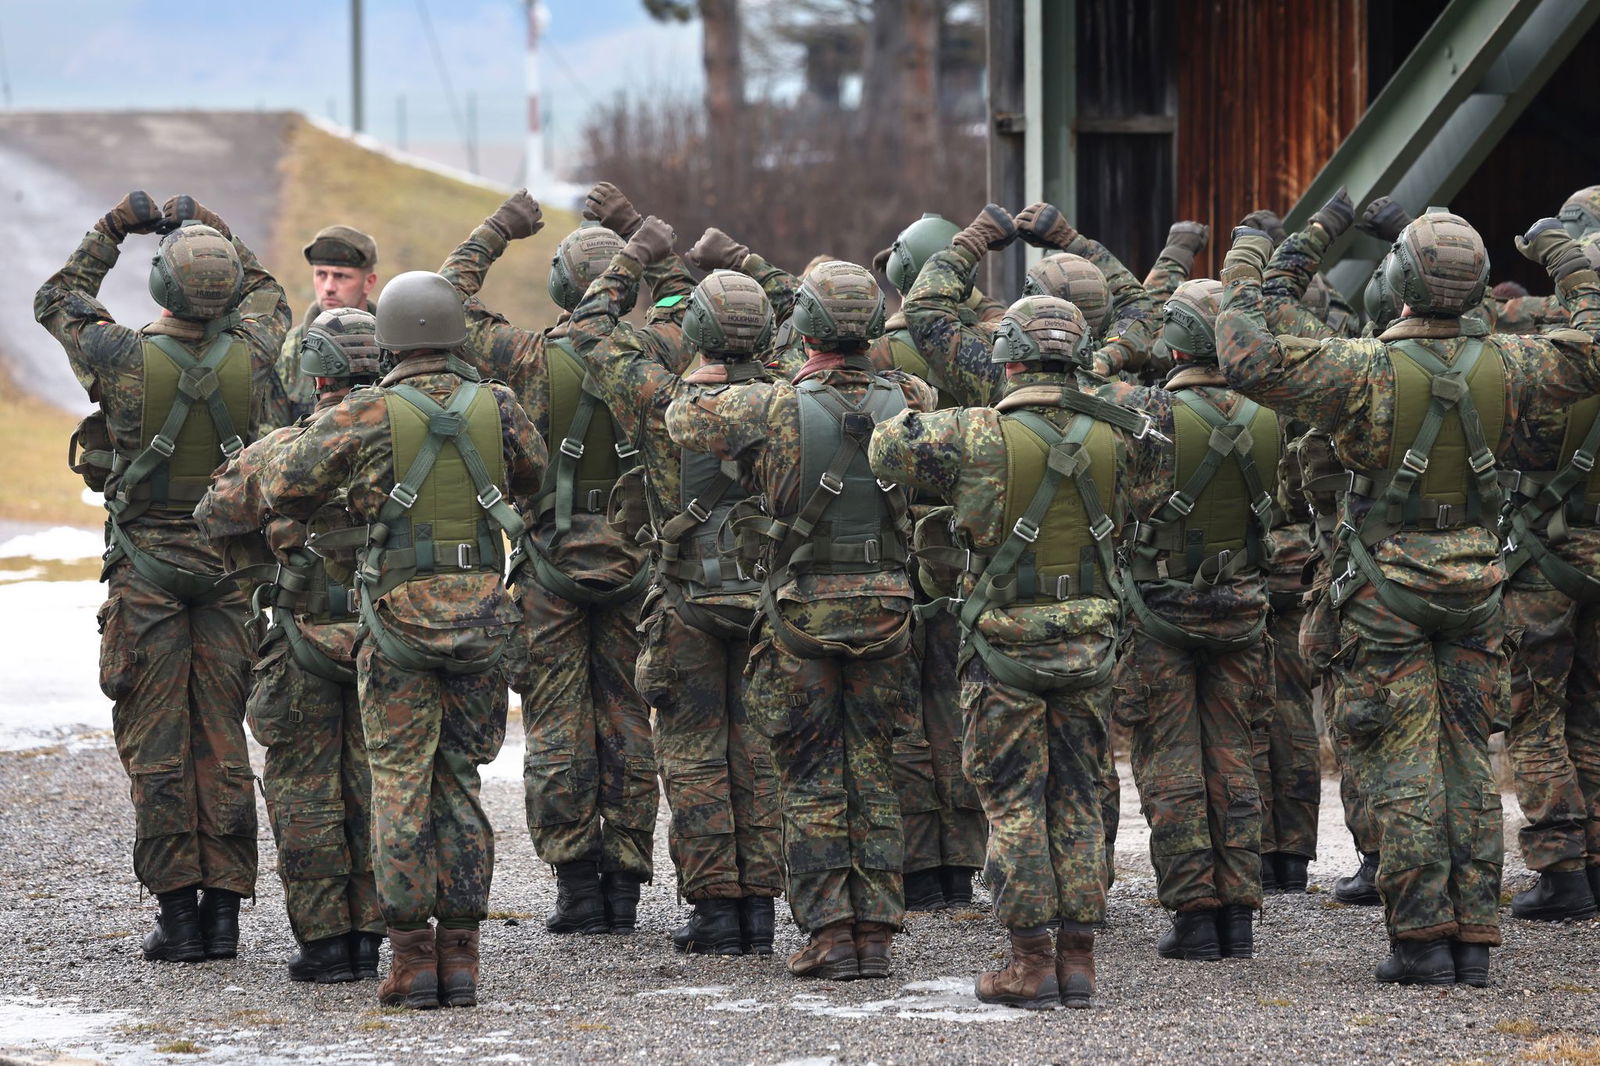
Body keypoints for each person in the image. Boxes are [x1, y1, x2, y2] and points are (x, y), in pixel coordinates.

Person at [1217, 208, 1600, 986]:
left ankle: (1422, 939)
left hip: (1384, 593)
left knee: (1402, 764)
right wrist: (1567, 258)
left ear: (1398, 281)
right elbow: (1592, 346)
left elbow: (1246, 353)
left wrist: (1267, 255)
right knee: (1466, 763)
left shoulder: (1361, 369)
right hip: (1477, 585)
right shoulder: (1516, 365)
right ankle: (1474, 939)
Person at [264, 270, 545, 1009]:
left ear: (389, 336)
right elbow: (535, 477)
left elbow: (284, 485)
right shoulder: (500, 405)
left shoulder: (365, 412)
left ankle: (413, 960)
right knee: (460, 782)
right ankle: (462, 957)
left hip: (397, 627)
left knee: (398, 783)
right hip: (482, 621)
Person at [873, 284, 1151, 1009]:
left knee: (1014, 801)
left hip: (1002, 646)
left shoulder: (973, 433)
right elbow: (1152, 492)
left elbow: (886, 449)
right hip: (1091, 641)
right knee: (1081, 797)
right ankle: (1080, 959)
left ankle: (1031, 962)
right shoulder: (1120, 432)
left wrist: (909, 392)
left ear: (1007, 359)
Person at [38, 192, 291, 963]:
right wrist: (206, 218)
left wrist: (117, 226)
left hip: (146, 577)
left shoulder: (118, 357)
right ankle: (224, 917)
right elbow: (267, 287)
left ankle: (178, 916)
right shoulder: (257, 348)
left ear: (163, 288)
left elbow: (58, 296)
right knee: (224, 742)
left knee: (156, 744)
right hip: (229, 578)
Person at [667, 258, 935, 981]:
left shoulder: (772, 405)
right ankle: (875, 934)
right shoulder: (913, 395)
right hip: (887, 607)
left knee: (812, 773)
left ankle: (828, 933)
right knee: (874, 770)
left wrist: (738, 359)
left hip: (801, 612)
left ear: (805, 327)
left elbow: (679, 415)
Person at [438, 190, 659, 936]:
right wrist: (637, 232)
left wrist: (500, 228)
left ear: (565, 285)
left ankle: (576, 887)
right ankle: (624, 886)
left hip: (550, 568)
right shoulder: (657, 353)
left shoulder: (523, 358)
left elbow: (443, 300)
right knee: (629, 718)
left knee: (559, 725)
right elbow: (709, 302)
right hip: (637, 567)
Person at [567, 217, 785, 955]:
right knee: (757, 749)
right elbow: (809, 310)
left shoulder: (658, 398)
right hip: (768, 604)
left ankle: (716, 910)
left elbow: (590, 324)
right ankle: (761, 908)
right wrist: (744, 258)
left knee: (693, 754)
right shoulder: (789, 398)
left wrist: (636, 252)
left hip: (689, 600)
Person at [194, 308, 385, 982]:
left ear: (315, 371)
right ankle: (371, 937)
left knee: (305, 792)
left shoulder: (283, 446)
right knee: (374, 787)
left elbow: (213, 511)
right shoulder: (403, 440)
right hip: (387, 640)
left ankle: (327, 944)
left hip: (300, 638)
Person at [1099, 274, 1282, 963]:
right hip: (1241, 609)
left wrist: (1122, 347)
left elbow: (1072, 383)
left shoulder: (1146, 412)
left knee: (1171, 765)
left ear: (1172, 344)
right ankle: (1238, 913)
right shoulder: (1267, 414)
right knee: (1235, 761)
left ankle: (1195, 915)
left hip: (1160, 613)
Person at [276, 225, 379, 421]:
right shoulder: (288, 351)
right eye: (321, 274)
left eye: (341, 276)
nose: (329, 287)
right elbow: (271, 435)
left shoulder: (392, 347)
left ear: (369, 282)